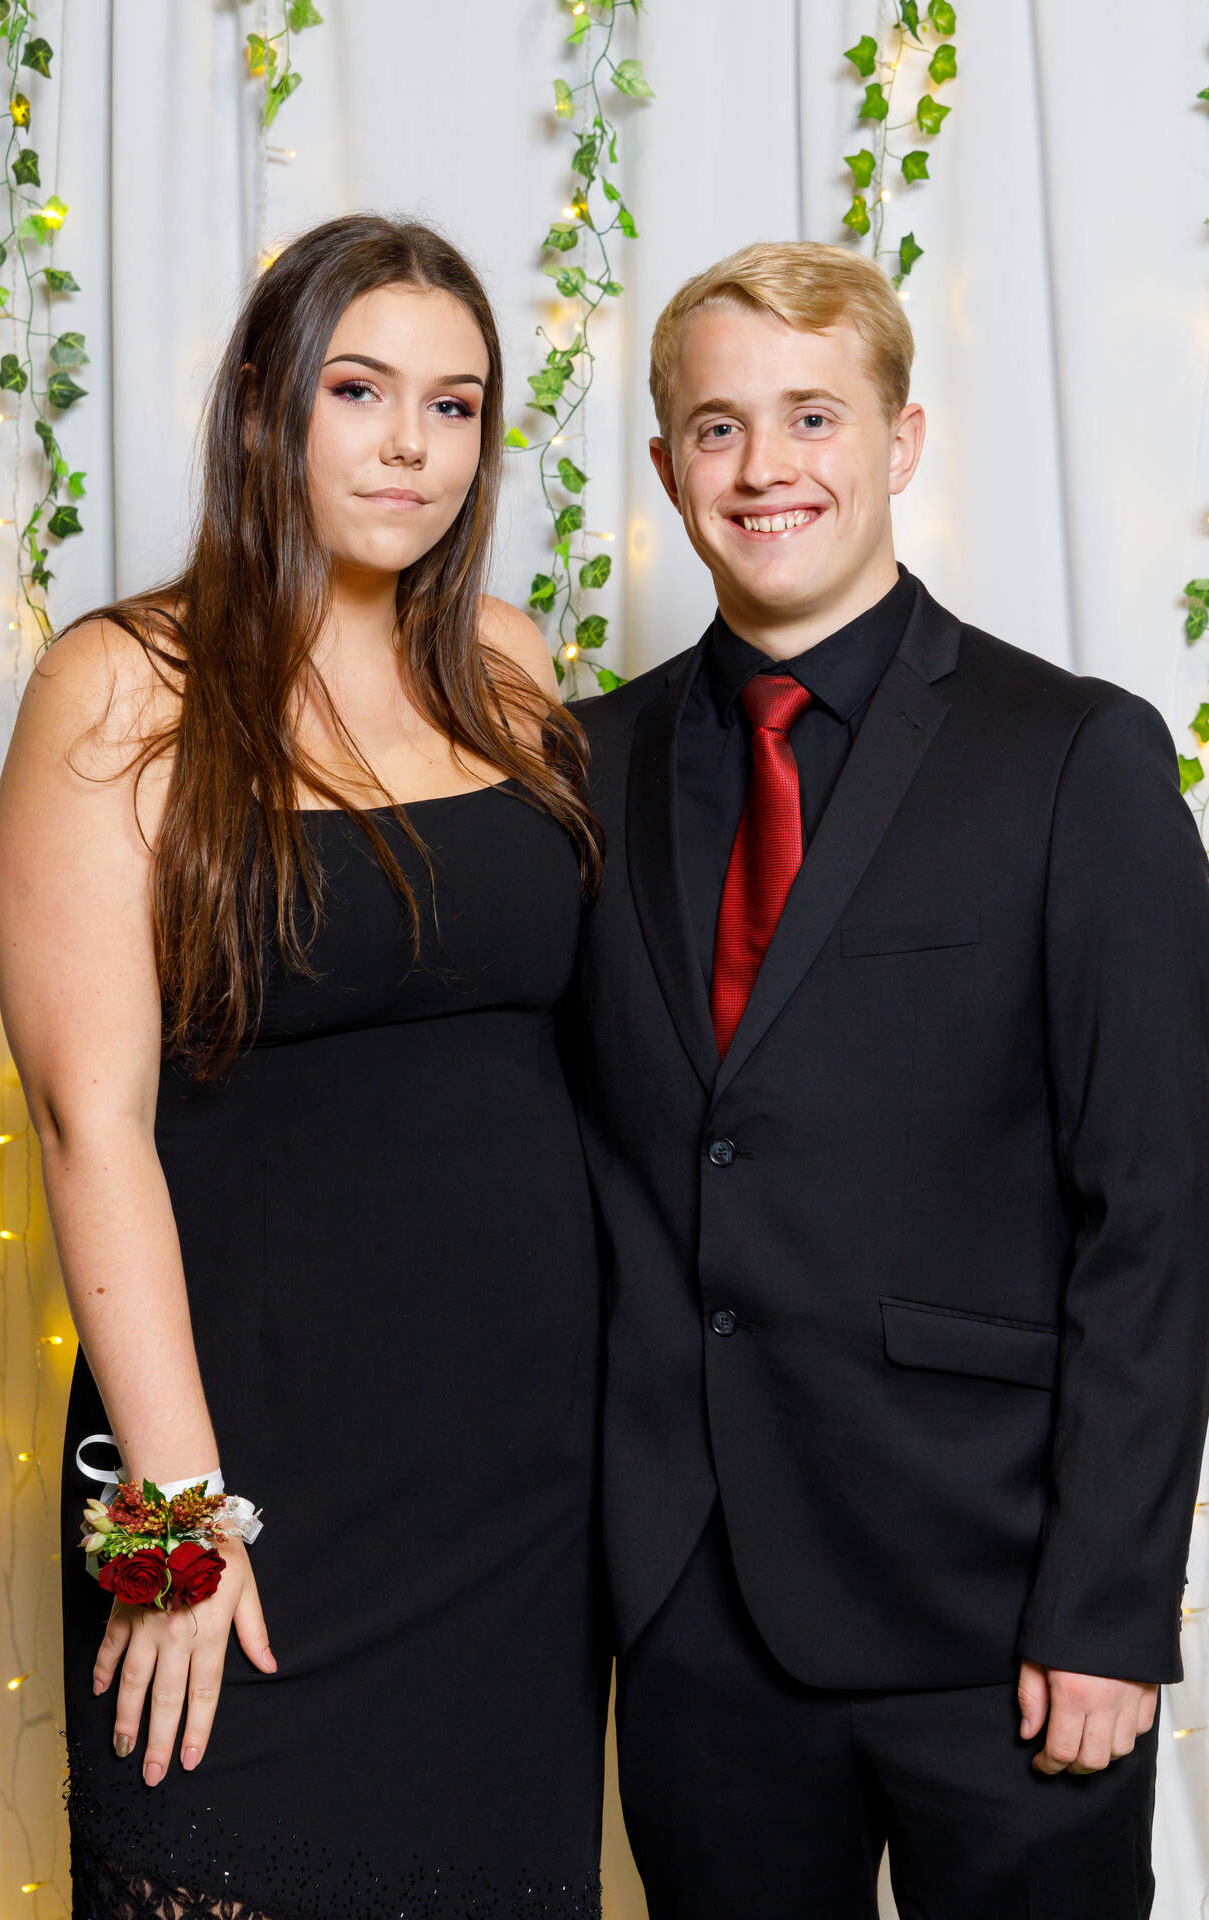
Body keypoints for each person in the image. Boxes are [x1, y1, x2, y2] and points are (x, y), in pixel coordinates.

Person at [570, 240, 1209, 1918]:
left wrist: (1109, 1606)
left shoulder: (1072, 756)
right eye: (719, 427)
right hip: (695, 1608)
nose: (763, 468)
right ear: (667, 469)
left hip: (999, 1605)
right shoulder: (581, 768)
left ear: (902, 440)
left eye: (812, 416)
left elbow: (1157, 1209)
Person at [0, 213, 609, 1920]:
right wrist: (177, 1523)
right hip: (240, 1462)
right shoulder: (123, 684)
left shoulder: (510, 669)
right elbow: (86, 1121)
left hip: (516, 1488)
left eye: (456, 405)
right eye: (360, 389)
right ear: (267, 396)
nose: (413, 445)